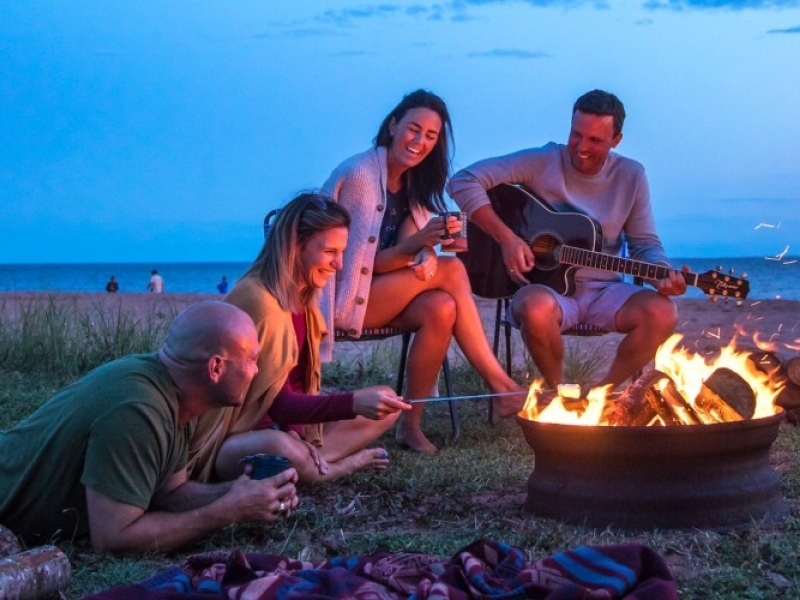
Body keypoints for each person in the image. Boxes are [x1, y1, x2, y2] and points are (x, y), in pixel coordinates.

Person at [0, 301, 299, 553]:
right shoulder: (138, 411)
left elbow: (170, 492)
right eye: (251, 359)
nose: (257, 371)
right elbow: (114, 537)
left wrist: (242, 492)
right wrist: (225, 512)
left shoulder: (176, 393)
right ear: (216, 368)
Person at [320, 89, 524, 454]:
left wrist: (425, 250)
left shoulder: (412, 186)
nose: (420, 142)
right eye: (414, 129)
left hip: (378, 295)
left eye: (431, 136)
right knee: (452, 271)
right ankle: (501, 386)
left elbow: (398, 256)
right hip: (341, 298)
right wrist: (423, 248)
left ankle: (410, 426)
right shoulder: (360, 176)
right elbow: (357, 267)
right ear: (393, 125)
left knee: (441, 308)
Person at [447, 89, 688, 390]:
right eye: (577, 135)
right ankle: (563, 395)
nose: (581, 147)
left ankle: (603, 396)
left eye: (595, 140)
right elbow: (463, 180)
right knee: (535, 309)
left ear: (616, 140)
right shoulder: (543, 160)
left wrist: (661, 273)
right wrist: (508, 239)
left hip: (606, 293)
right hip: (547, 292)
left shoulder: (631, 175)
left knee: (664, 312)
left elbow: (645, 244)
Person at [188, 193, 410, 484]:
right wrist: (351, 403)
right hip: (230, 442)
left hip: (278, 429)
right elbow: (270, 404)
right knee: (278, 447)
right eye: (330, 252)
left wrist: (295, 431)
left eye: (341, 253)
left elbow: (291, 384)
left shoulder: (302, 301)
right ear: (295, 247)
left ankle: (307, 460)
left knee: (387, 403)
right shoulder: (260, 302)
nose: (339, 265)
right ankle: (333, 468)